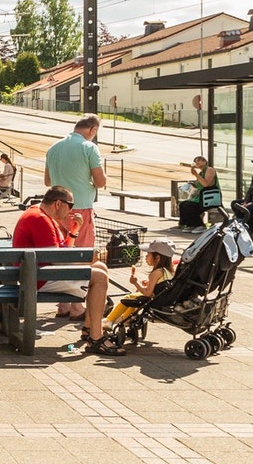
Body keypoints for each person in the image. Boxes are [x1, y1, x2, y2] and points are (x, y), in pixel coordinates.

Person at [12, 186, 121, 354]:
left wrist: (74, 231)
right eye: (70, 205)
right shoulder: (40, 219)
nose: (71, 210)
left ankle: (90, 328)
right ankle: (96, 337)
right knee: (99, 276)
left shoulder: (40, 214)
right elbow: (56, 259)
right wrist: (86, 260)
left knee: (100, 267)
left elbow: (60, 250)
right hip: (39, 278)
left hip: (38, 273)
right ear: (58, 203)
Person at [44, 114, 106, 249]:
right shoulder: (89, 148)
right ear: (93, 130)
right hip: (80, 208)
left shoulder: (53, 148)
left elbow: (47, 181)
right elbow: (100, 182)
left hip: (55, 208)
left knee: (59, 249)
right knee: (82, 252)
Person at [105, 239, 175, 327]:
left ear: (157, 258)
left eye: (148, 254)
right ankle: (125, 317)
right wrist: (148, 284)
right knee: (136, 296)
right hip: (163, 298)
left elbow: (147, 293)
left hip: (154, 300)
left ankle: (109, 320)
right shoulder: (169, 271)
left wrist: (135, 283)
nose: (146, 256)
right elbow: (161, 284)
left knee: (129, 298)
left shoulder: (156, 273)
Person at [178, 156, 220, 230]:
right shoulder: (201, 173)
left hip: (209, 197)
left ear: (204, 162)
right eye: (195, 161)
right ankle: (189, 224)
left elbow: (205, 184)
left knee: (191, 206)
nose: (196, 162)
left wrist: (196, 174)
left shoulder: (209, 170)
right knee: (183, 204)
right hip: (200, 197)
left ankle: (200, 225)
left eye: (199, 160)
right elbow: (199, 185)